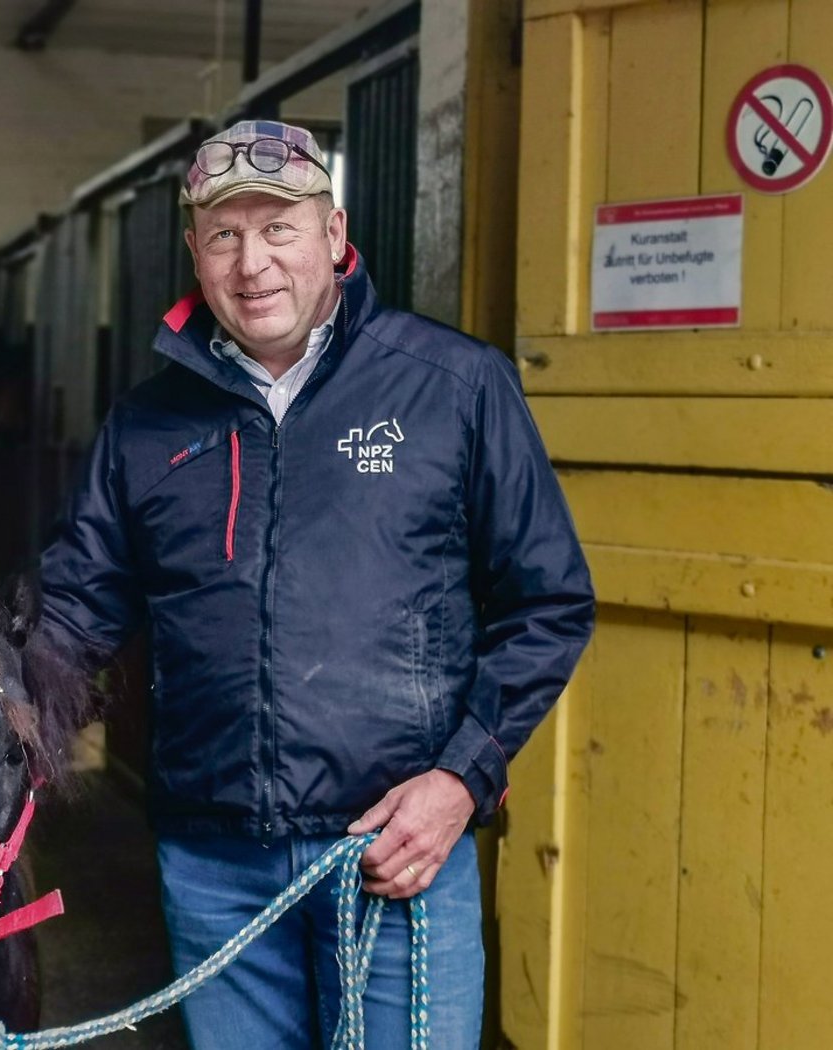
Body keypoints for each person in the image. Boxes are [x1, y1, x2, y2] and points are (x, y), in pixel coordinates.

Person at [37, 119, 594, 1049]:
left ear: (333, 236)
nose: (251, 263)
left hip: (394, 851)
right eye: (224, 235)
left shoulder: (454, 387)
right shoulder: (145, 426)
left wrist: (462, 777)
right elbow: (72, 617)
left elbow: (549, 602)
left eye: (278, 229)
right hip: (212, 862)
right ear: (195, 253)